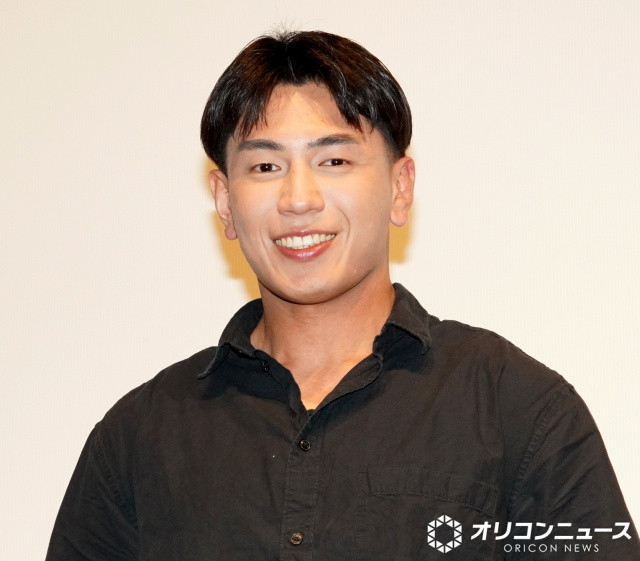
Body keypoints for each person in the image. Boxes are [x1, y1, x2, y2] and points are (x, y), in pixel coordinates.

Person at [46, 30, 639, 560]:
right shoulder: (138, 438)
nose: (298, 200)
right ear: (225, 202)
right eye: (265, 168)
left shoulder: (518, 410)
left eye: (333, 160)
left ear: (400, 188)